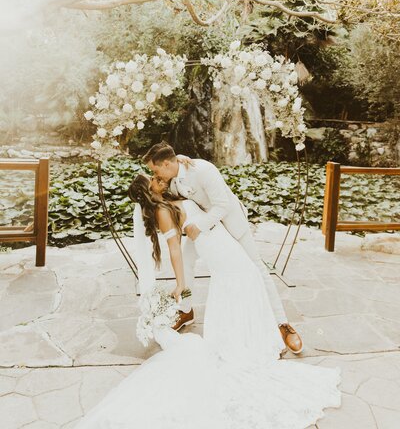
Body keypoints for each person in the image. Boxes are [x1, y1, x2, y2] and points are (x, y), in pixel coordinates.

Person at [75, 173, 341, 429]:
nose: (158, 179)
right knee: (241, 279)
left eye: (155, 176)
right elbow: (175, 250)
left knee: (248, 278)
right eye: (153, 180)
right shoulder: (163, 212)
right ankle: (246, 342)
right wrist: (180, 284)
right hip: (215, 250)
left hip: (222, 241)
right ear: (149, 193)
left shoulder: (171, 198)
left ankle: (253, 336)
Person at [143, 141, 303, 354]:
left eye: (154, 170)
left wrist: (198, 226)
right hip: (206, 232)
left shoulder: (204, 170)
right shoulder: (171, 178)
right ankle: (186, 310)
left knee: (257, 269)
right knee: (186, 261)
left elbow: (222, 205)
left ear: (165, 164)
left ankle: (282, 324)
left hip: (229, 224)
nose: (154, 175)